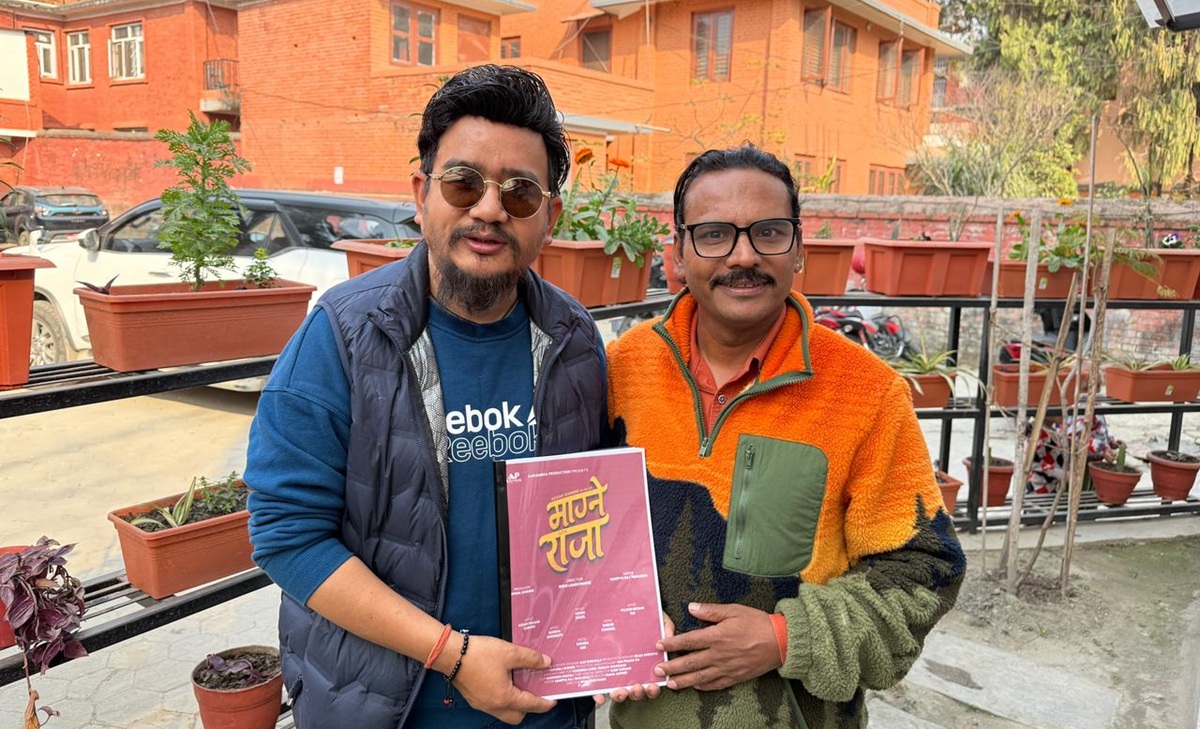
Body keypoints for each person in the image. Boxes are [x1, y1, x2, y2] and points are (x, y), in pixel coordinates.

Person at [244, 65, 606, 729]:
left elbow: (598, 517)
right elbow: (287, 536)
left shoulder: (574, 339)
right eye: (464, 182)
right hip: (388, 711)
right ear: (421, 193)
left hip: (550, 711)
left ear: (550, 218)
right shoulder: (343, 335)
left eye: (521, 193)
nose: (490, 209)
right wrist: (452, 654)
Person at [603, 145, 966, 728]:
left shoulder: (866, 393)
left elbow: (924, 569)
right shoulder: (622, 371)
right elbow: (582, 533)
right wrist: (609, 615)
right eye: (714, 234)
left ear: (799, 249)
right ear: (678, 254)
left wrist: (785, 637)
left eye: (768, 232)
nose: (744, 255)